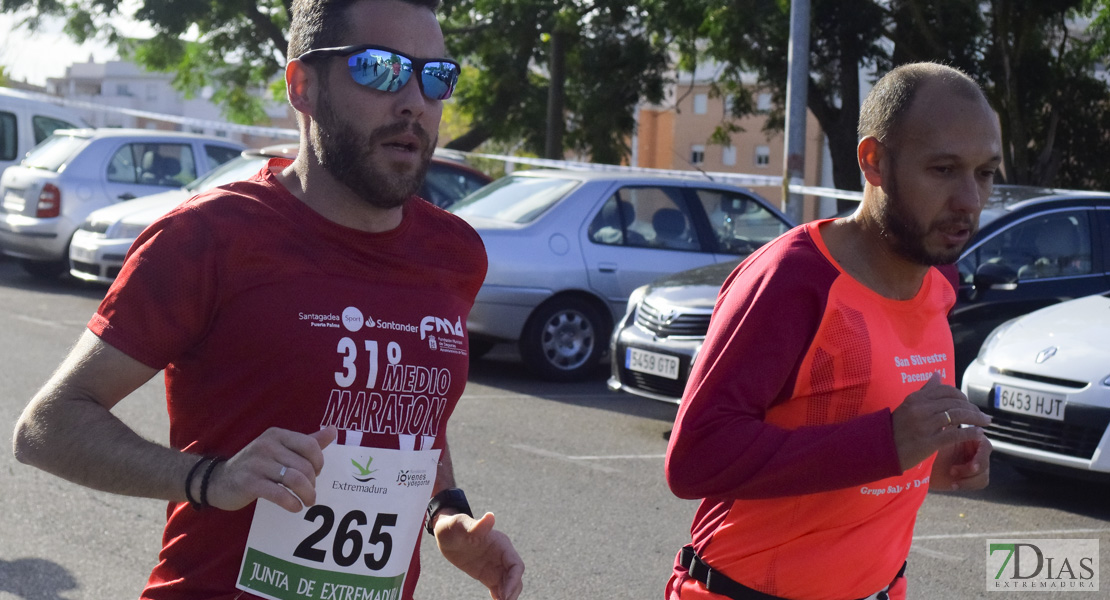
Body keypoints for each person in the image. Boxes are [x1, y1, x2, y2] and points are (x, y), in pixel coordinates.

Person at [11, 1, 524, 599]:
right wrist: (211, 478)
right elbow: (46, 426)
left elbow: (403, 408)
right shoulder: (211, 237)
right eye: (380, 69)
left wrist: (445, 510)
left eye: (434, 77)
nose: (413, 100)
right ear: (302, 86)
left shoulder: (454, 254)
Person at [664, 62, 998, 600]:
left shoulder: (940, 279)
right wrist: (887, 443)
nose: (970, 199)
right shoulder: (794, 279)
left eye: (984, 173)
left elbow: (861, 451)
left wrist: (938, 460)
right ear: (874, 162)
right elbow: (695, 459)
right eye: (943, 169)